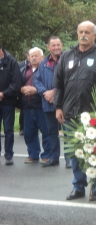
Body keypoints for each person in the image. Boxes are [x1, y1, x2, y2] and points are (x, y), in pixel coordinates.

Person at [54, 21, 96, 201]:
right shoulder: (67, 56)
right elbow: (58, 84)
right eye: (80, 31)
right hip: (70, 113)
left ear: (95, 35)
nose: (83, 35)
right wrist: (58, 107)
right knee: (75, 152)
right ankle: (78, 186)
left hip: (94, 115)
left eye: (87, 32)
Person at [35, 36, 65, 167]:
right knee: (51, 132)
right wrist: (45, 93)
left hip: (64, 103)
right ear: (48, 47)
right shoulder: (43, 63)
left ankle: (70, 160)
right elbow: (37, 80)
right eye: (53, 45)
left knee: (68, 132)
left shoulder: (67, 60)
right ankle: (54, 158)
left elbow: (68, 81)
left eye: (58, 45)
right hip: (47, 102)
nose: (56, 47)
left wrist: (54, 91)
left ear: (62, 46)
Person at [20, 47, 52, 164]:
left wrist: (36, 90)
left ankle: (47, 155)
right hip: (27, 106)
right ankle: (33, 154)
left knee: (46, 132)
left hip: (41, 105)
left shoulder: (46, 69)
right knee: (29, 133)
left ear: (42, 57)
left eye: (36, 55)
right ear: (28, 58)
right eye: (31, 56)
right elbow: (18, 82)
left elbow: (49, 85)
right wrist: (22, 88)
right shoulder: (23, 69)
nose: (33, 58)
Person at [0, 42, 22, 165]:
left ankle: (9, 155)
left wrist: (3, 94)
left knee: (8, 130)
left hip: (8, 101)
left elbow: (16, 83)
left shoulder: (11, 62)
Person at [18, 50, 30, 136]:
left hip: (34, 93)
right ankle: (22, 127)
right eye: (31, 55)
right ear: (27, 55)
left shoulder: (40, 64)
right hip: (22, 91)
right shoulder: (21, 65)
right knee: (23, 111)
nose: (33, 57)